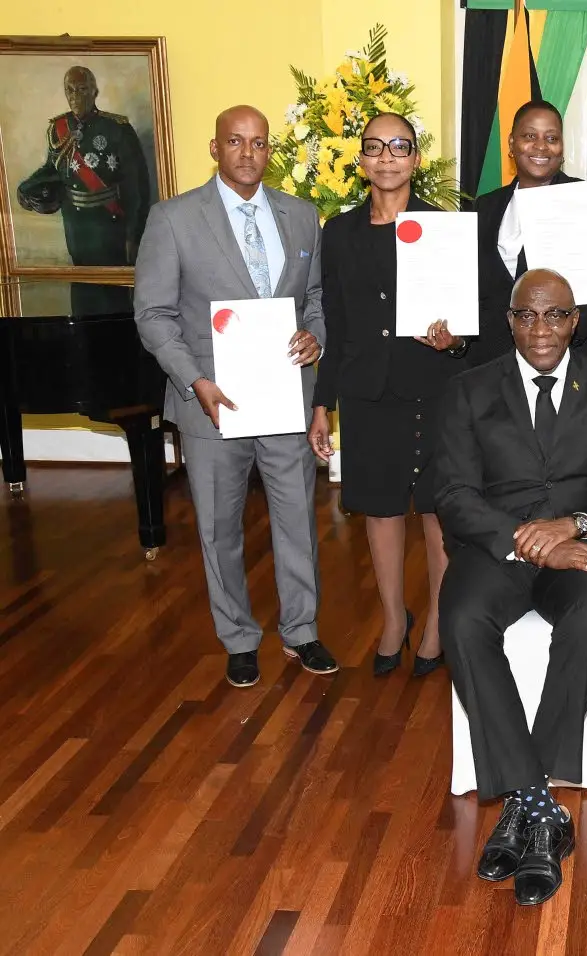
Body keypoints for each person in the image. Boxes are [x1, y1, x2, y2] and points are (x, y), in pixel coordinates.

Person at [434, 268, 587, 906]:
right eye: (527, 316)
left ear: (576, 320)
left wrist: (574, 527)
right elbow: (453, 494)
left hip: (579, 548)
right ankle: (538, 803)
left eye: (554, 316)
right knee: (462, 619)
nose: (541, 329)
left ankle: (524, 804)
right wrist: (526, 538)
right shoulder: (468, 390)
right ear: (510, 321)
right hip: (498, 548)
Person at [134, 105, 335, 688]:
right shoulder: (173, 219)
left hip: (283, 398)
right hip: (209, 402)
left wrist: (314, 337)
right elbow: (153, 314)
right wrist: (194, 380)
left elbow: (316, 299)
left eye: (260, 143)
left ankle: (301, 631)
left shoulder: (300, 217)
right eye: (236, 142)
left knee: (297, 518)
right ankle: (239, 638)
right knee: (219, 528)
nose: (249, 153)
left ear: (270, 150)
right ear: (215, 147)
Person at [308, 112, 469, 678]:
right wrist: (322, 404)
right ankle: (394, 620)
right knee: (379, 508)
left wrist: (454, 340)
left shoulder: (447, 227)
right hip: (365, 389)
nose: (387, 158)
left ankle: (435, 625)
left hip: (433, 385)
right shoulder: (341, 232)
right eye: (374, 148)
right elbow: (334, 320)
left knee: (434, 511)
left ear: (416, 159)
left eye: (399, 147)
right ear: (361, 161)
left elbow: (466, 318)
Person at [472, 100, 587, 366]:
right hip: (498, 361)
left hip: (577, 354)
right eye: (530, 136)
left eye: (552, 138)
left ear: (562, 148)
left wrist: (560, 335)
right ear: (511, 144)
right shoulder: (485, 206)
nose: (541, 146)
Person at [17, 66, 151, 315]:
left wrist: (134, 235)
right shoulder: (57, 129)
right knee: (83, 289)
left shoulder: (117, 128)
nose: (76, 96)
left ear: (94, 91)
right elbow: (53, 169)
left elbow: (137, 187)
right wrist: (29, 189)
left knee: (114, 297)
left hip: (109, 224)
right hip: (76, 224)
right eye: (70, 90)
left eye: (82, 89)